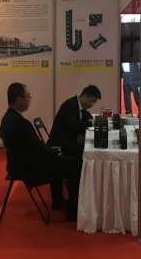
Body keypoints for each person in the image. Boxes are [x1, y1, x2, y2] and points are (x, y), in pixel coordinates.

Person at [0, 83, 82, 221]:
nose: (30, 99)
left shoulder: (7, 119)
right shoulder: (21, 123)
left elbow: (35, 148)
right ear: (19, 99)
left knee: (61, 159)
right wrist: (55, 153)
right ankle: (73, 213)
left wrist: (53, 152)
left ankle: (58, 201)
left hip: (17, 165)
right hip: (29, 169)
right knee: (75, 165)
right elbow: (39, 149)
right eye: (28, 96)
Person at [48, 85, 100, 216]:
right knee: (81, 157)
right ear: (85, 96)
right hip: (58, 145)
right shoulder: (70, 106)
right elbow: (74, 127)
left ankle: (77, 193)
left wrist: (91, 120)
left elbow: (84, 116)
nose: (92, 105)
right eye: (91, 101)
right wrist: (91, 123)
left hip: (66, 141)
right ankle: (73, 202)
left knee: (84, 149)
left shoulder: (77, 104)